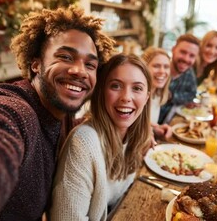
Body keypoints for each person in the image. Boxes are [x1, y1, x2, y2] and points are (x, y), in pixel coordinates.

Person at [0, 6, 115, 221]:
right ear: (35, 64)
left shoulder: (62, 115)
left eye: (90, 64)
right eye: (65, 57)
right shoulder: (16, 111)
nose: (80, 71)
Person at [49, 53, 151, 220]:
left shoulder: (134, 135)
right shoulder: (83, 144)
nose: (126, 97)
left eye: (137, 88)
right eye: (116, 86)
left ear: (147, 97)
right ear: (101, 91)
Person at [158, 33, 200, 124]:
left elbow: (192, 95)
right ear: (173, 50)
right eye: (183, 52)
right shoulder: (159, 70)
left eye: (192, 56)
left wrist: (171, 96)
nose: (186, 59)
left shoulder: (189, 73)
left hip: (168, 123)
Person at [142, 46, 172, 140]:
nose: (162, 71)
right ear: (144, 67)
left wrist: (156, 129)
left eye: (166, 67)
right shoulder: (138, 96)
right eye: (156, 66)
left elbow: (146, 124)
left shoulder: (157, 95)